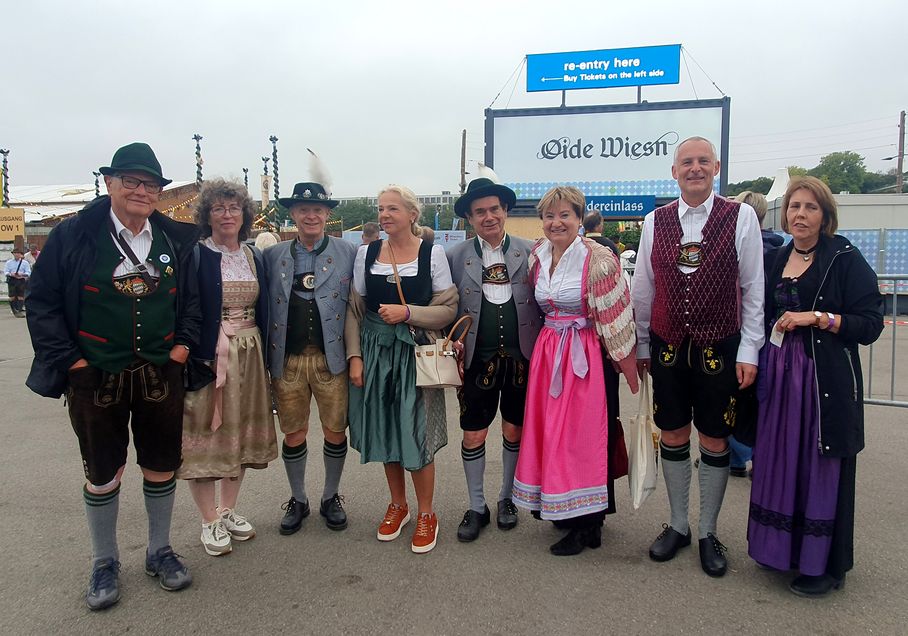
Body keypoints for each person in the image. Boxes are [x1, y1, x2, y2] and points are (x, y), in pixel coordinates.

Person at [25, 142, 198, 610]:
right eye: (131, 181)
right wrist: (72, 363)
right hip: (95, 375)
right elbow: (42, 303)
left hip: (161, 372)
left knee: (161, 463)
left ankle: (159, 550)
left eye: (151, 184)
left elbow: (193, 302)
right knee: (103, 472)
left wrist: (181, 350)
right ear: (110, 183)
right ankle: (104, 561)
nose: (142, 191)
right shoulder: (74, 235)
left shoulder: (174, 239)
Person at [631, 136, 764, 577]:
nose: (695, 168)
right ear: (674, 171)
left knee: (715, 438)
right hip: (668, 344)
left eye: (703, 161)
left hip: (720, 345)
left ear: (716, 167)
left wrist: (750, 350)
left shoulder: (740, 216)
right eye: (686, 162)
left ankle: (708, 531)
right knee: (672, 433)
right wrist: (643, 344)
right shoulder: (655, 220)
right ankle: (678, 525)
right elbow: (644, 288)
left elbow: (754, 289)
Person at [748, 176, 883, 597]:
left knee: (819, 466)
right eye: (794, 206)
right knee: (780, 460)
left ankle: (823, 565)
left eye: (810, 207)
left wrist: (819, 318)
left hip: (822, 382)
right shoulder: (777, 257)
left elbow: (870, 323)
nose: (800, 214)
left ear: (825, 216)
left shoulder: (844, 258)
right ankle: (781, 550)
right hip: (780, 378)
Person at [513, 186, 638, 556]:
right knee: (553, 432)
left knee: (584, 437)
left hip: (586, 355)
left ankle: (589, 522)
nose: (557, 222)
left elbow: (618, 312)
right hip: (549, 351)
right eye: (550, 216)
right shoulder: (538, 255)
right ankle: (564, 506)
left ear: (579, 219)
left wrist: (625, 361)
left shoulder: (598, 259)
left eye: (565, 215)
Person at [346, 185, 458, 554]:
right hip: (376, 351)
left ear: (412, 214)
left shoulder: (432, 253)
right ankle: (398, 504)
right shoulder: (366, 254)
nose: (384, 215)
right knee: (386, 428)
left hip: (415, 352)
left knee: (416, 430)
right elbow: (354, 311)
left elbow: (448, 309)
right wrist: (355, 357)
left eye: (392, 208)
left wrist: (408, 312)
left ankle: (427, 512)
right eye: (381, 209)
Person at [177, 179, 277, 556]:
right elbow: (185, 306)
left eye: (234, 208)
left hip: (250, 352)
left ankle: (228, 510)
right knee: (205, 436)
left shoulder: (254, 256)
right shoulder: (196, 254)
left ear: (244, 214)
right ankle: (209, 520)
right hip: (210, 357)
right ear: (207, 215)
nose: (227, 214)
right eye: (218, 208)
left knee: (241, 434)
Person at [447, 178, 541, 542]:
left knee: (514, 430)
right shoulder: (455, 256)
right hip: (476, 358)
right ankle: (476, 506)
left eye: (494, 209)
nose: (489, 217)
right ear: (470, 218)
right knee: (474, 434)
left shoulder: (531, 251)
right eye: (480, 212)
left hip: (522, 358)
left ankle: (507, 498)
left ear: (505, 211)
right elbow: (445, 306)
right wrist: (449, 342)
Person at [264, 181, 356, 535]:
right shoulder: (272, 255)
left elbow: (358, 306)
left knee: (335, 430)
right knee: (294, 433)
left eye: (317, 209)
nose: (311, 215)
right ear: (293, 213)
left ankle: (330, 496)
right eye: (304, 209)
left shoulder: (349, 252)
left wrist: (356, 355)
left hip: (330, 358)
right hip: (288, 359)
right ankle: (298, 498)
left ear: (327, 213)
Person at [724, 190, 783, 477]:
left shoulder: (749, 247)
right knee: (762, 399)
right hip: (773, 336)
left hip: (743, 332)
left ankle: (737, 456)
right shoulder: (781, 250)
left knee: (737, 396)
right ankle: (760, 459)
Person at [5, 247, 31, 317]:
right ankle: (14, 310)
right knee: (12, 296)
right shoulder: (9, 262)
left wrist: (22, 274)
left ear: (21, 254)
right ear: (13, 254)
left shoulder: (25, 263)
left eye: (18, 253)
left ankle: (19, 311)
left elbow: (28, 272)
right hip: (12, 280)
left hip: (21, 280)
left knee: (21, 296)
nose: (16, 254)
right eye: (15, 253)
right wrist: (11, 274)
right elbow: (6, 272)